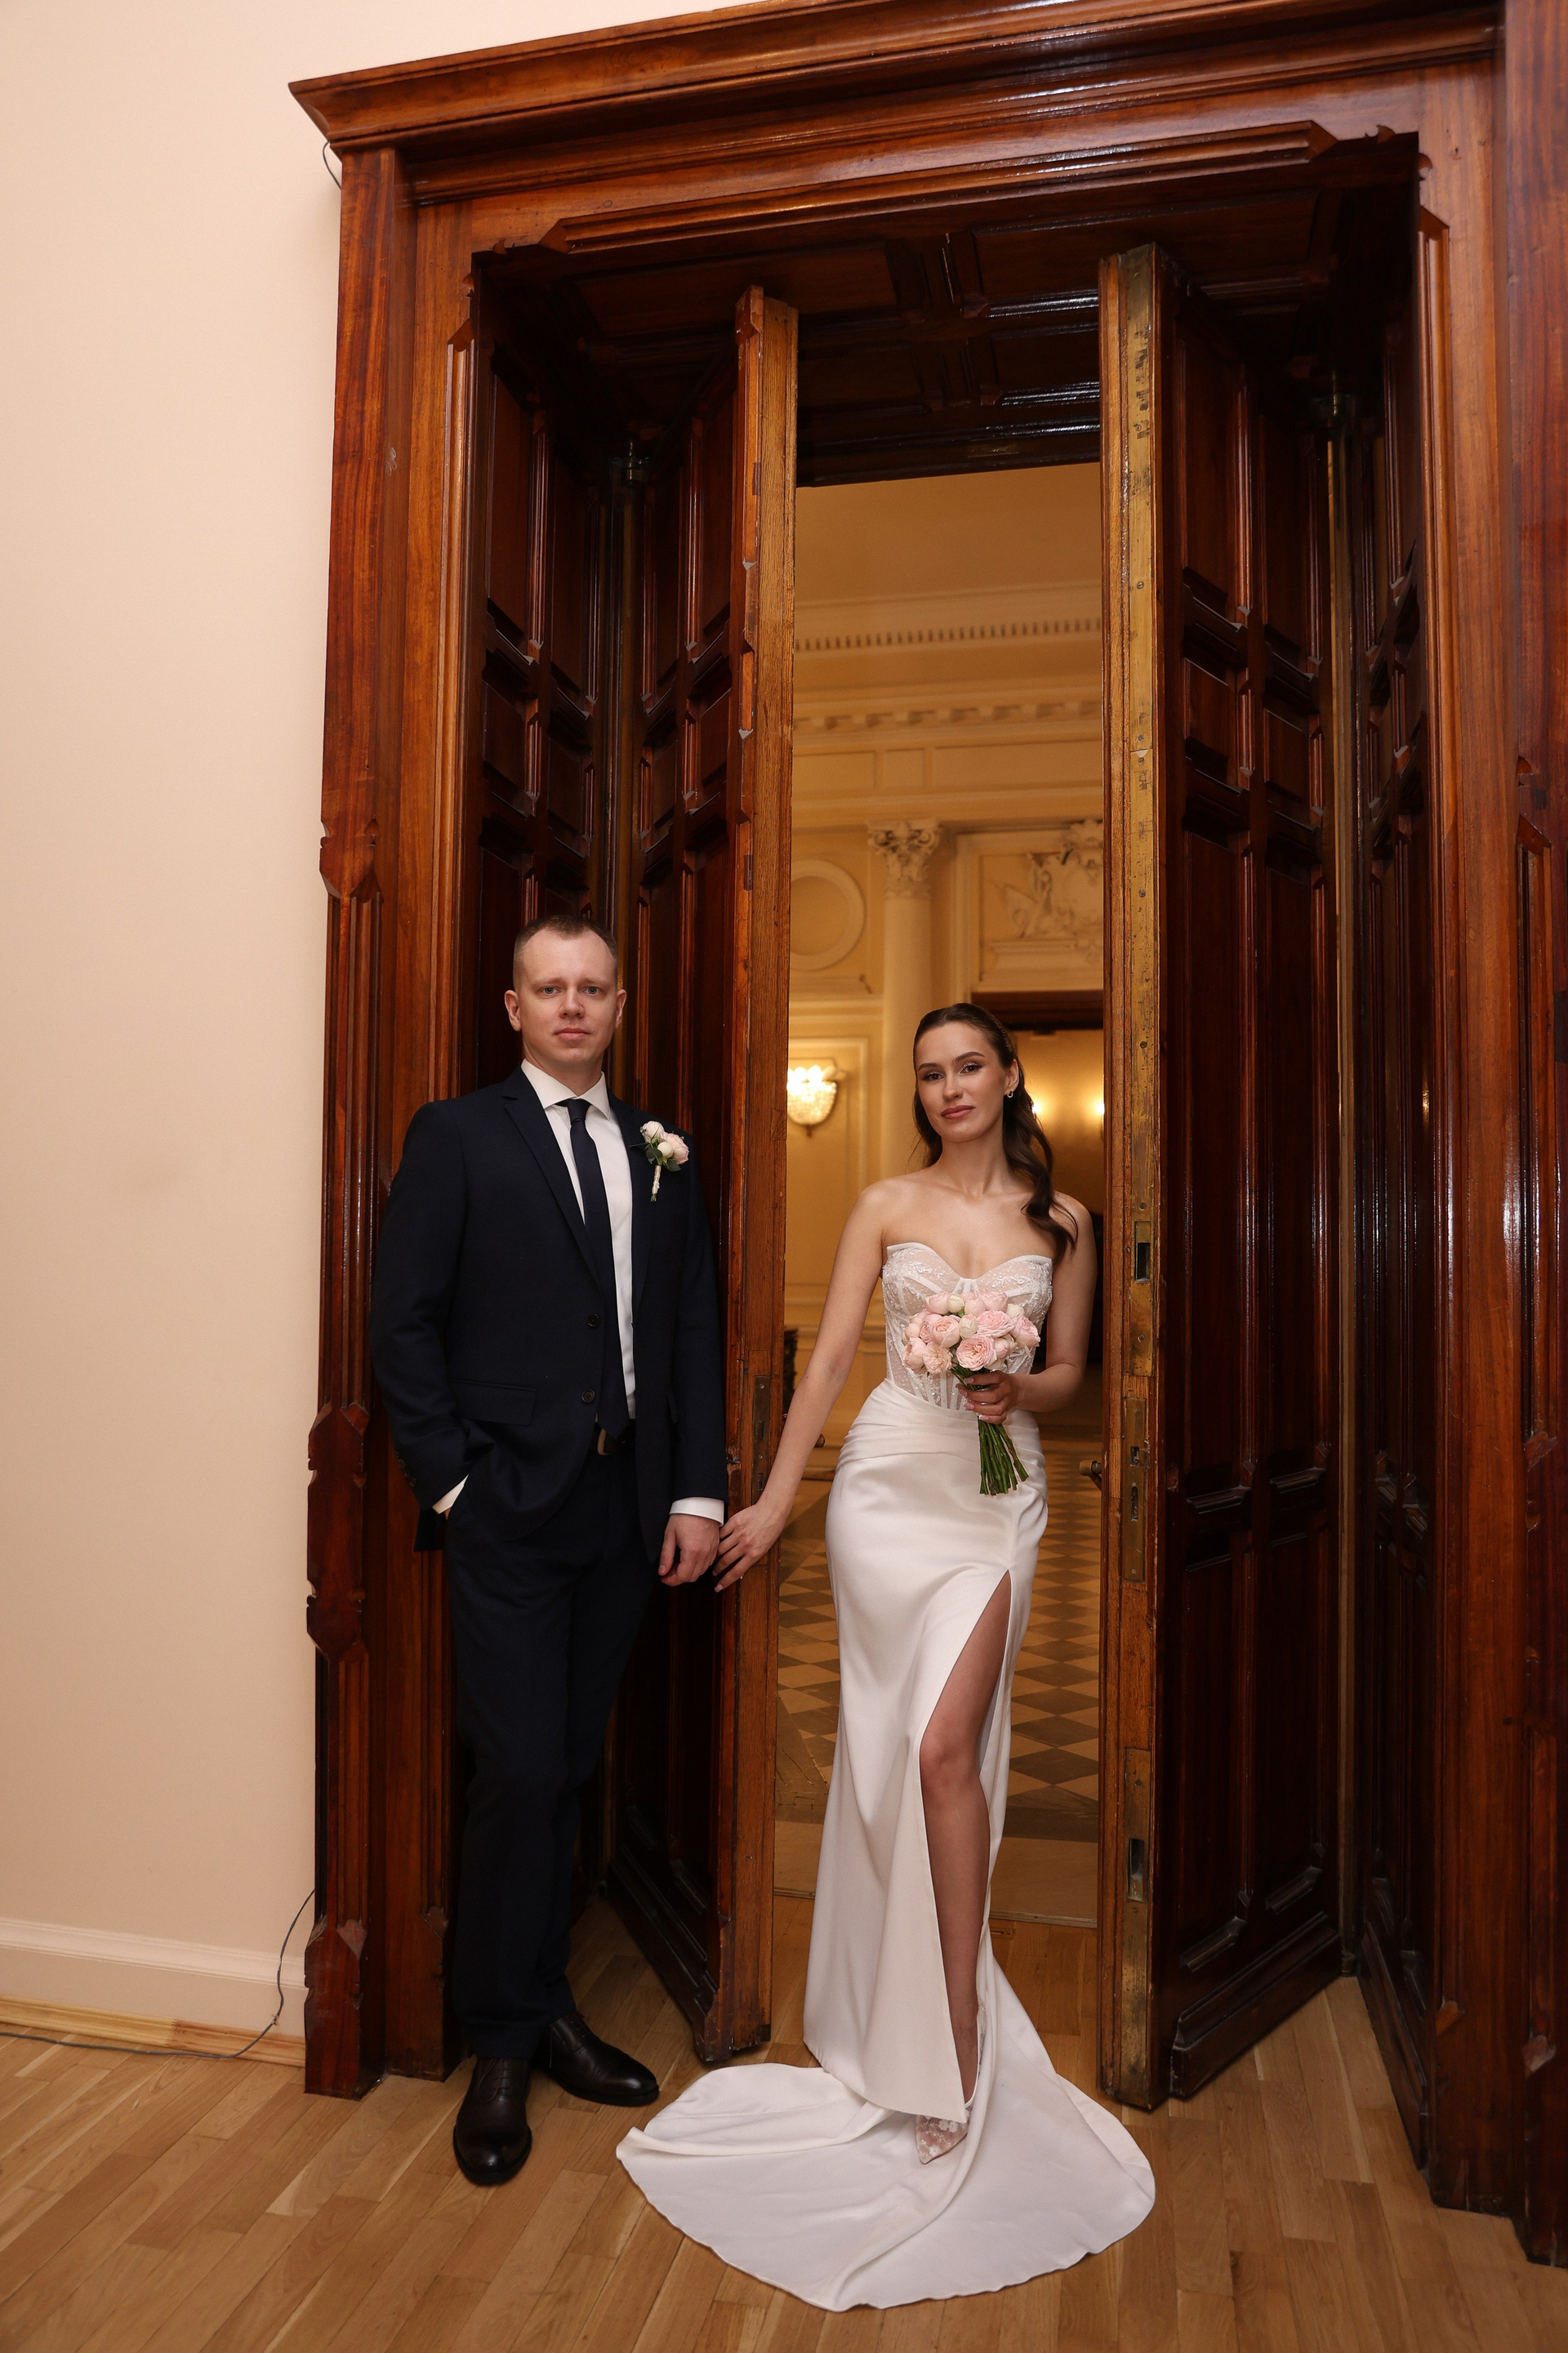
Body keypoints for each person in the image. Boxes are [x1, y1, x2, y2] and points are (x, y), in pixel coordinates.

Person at [618, 1005, 1154, 2307]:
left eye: (969, 1065)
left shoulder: (1065, 1221)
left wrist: (1015, 1389)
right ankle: (896, 2026)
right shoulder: (882, 1203)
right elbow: (827, 1369)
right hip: (885, 1484)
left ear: (1008, 1075)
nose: (948, 1086)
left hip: (998, 1492)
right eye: (929, 1072)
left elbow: (1071, 1369)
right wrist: (772, 1501)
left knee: (942, 1749)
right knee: (887, 1756)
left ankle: (956, 2037)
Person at [368, 911, 726, 2187]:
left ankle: (546, 2001)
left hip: (628, 1511)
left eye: (593, 986)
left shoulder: (662, 1148)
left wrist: (696, 1492)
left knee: (568, 1766)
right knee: (517, 1772)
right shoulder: (457, 1135)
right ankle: (503, 2045)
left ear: (620, 1004)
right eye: (550, 987)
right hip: (507, 1508)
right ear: (513, 1008)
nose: (574, 1005)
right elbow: (402, 1323)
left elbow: (691, 1327)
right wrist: (455, 1483)